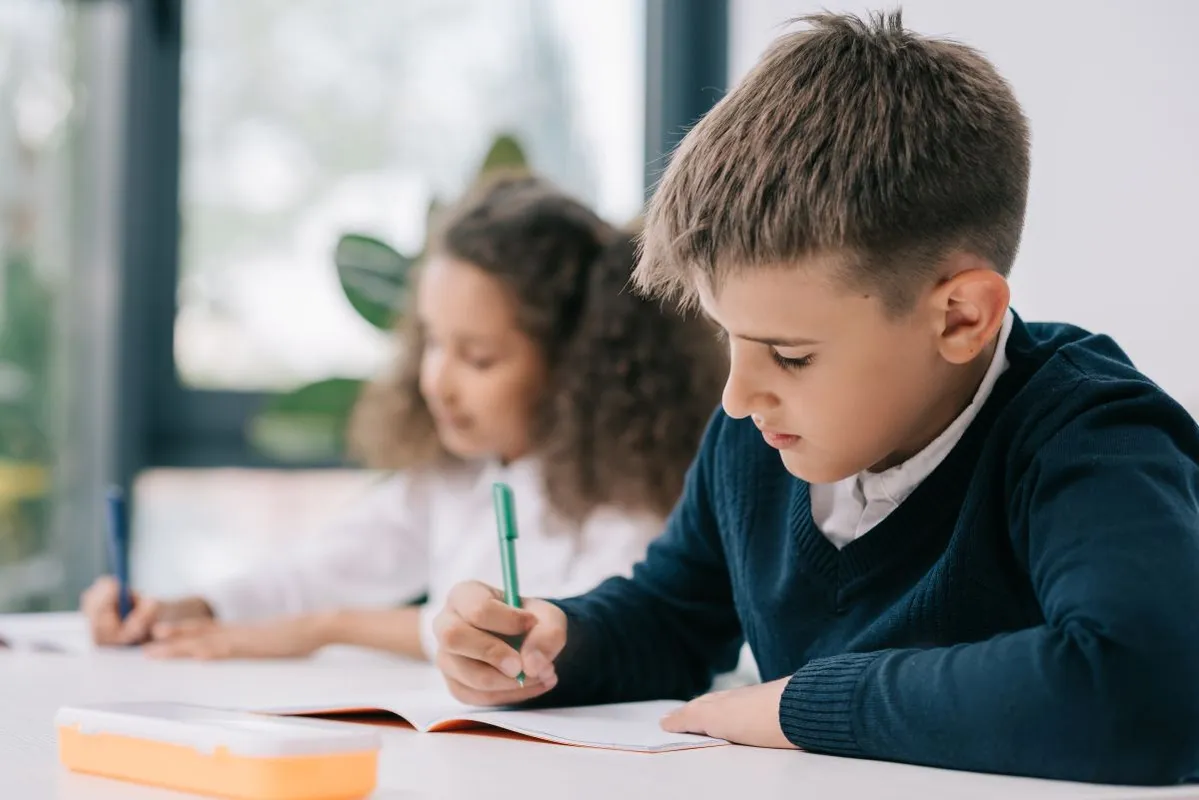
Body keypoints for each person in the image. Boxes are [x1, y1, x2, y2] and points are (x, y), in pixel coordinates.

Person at [429, 13, 1199, 785]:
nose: (736, 396)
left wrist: (801, 705)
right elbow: (673, 615)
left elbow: (1144, 685)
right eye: (729, 337)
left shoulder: (1092, 433)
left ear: (961, 317)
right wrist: (556, 642)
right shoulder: (760, 430)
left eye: (790, 355)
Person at [81, 173, 727, 662]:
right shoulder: (452, 477)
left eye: (476, 357)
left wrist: (326, 628)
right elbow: (327, 566)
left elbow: (547, 629)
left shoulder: (633, 502)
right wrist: (188, 609)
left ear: (575, 367)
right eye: (433, 343)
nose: (436, 381)